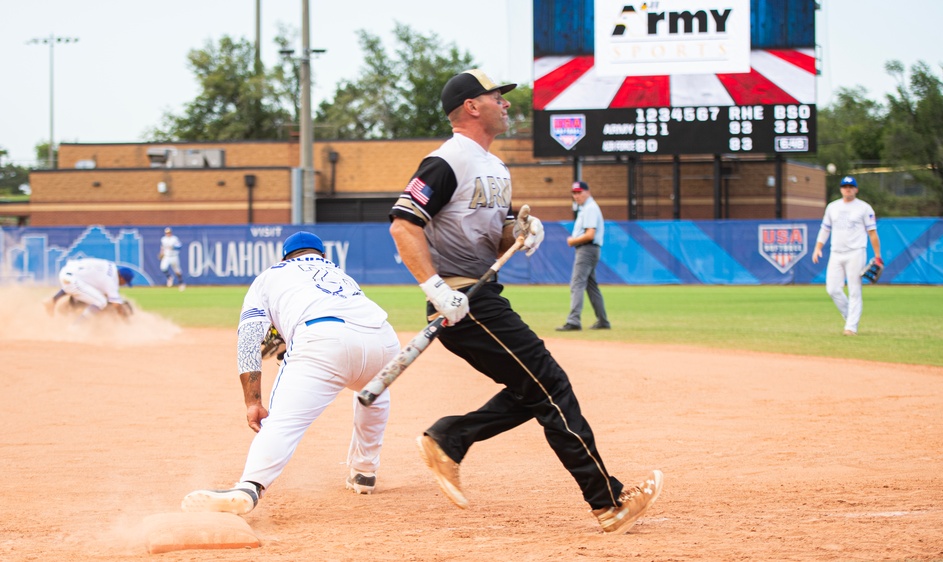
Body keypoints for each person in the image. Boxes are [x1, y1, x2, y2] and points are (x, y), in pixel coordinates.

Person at [388, 68, 662, 535]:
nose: (507, 104)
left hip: (482, 294)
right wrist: (436, 290)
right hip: (463, 299)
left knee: (534, 388)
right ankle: (607, 500)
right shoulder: (446, 160)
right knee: (551, 386)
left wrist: (518, 232)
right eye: (498, 96)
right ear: (472, 106)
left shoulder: (497, 169)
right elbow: (403, 225)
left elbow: (492, 241)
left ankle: (450, 438)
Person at [181, 231, 401, 515]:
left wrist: (252, 402)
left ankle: (249, 486)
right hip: (385, 341)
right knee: (373, 394)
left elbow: (249, 340)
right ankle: (364, 472)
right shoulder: (340, 274)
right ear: (322, 255)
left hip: (323, 339)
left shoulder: (269, 276)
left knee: (284, 422)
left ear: (285, 256)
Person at [811, 176, 883, 336]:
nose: (848, 189)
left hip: (856, 252)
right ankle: (850, 316)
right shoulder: (832, 207)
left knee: (855, 290)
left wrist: (878, 256)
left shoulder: (864, 208)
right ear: (841, 189)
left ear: (856, 189)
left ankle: (851, 327)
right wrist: (818, 248)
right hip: (836, 252)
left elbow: (872, 233)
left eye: (851, 186)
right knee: (832, 289)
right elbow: (825, 229)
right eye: (845, 186)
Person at [556, 181, 611, 331]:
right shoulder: (586, 208)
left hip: (587, 249)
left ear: (588, 192)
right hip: (589, 250)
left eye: (580, 192)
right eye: (574, 193)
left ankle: (574, 321)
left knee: (577, 283)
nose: (576, 195)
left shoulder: (590, 208)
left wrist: (573, 240)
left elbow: (590, 234)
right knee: (591, 287)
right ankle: (603, 321)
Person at [45, 257, 134, 320]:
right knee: (101, 302)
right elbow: (116, 305)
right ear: (122, 278)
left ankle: (53, 300)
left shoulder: (110, 265)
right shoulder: (111, 281)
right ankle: (76, 327)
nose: (123, 285)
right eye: (125, 283)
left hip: (68, 271)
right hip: (72, 280)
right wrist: (125, 321)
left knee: (90, 292)